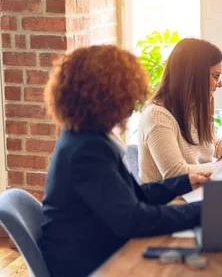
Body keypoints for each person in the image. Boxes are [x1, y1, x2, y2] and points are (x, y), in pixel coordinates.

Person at [39, 45, 208, 277]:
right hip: (88, 265)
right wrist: (207, 210)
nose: (135, 102)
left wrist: (184, 182)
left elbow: (131, 196)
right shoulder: (88, 151)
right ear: (108, 97)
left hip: (96, 249)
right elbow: (134, 219)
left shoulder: (86, 136)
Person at [138, 38, 222, 183]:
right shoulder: (157, 116)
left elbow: (212, 143)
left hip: (195, 193)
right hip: (171, 202)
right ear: (193, 75)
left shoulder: (192, 108)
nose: (220, 84)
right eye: (216, 76)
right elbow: (176, 173)